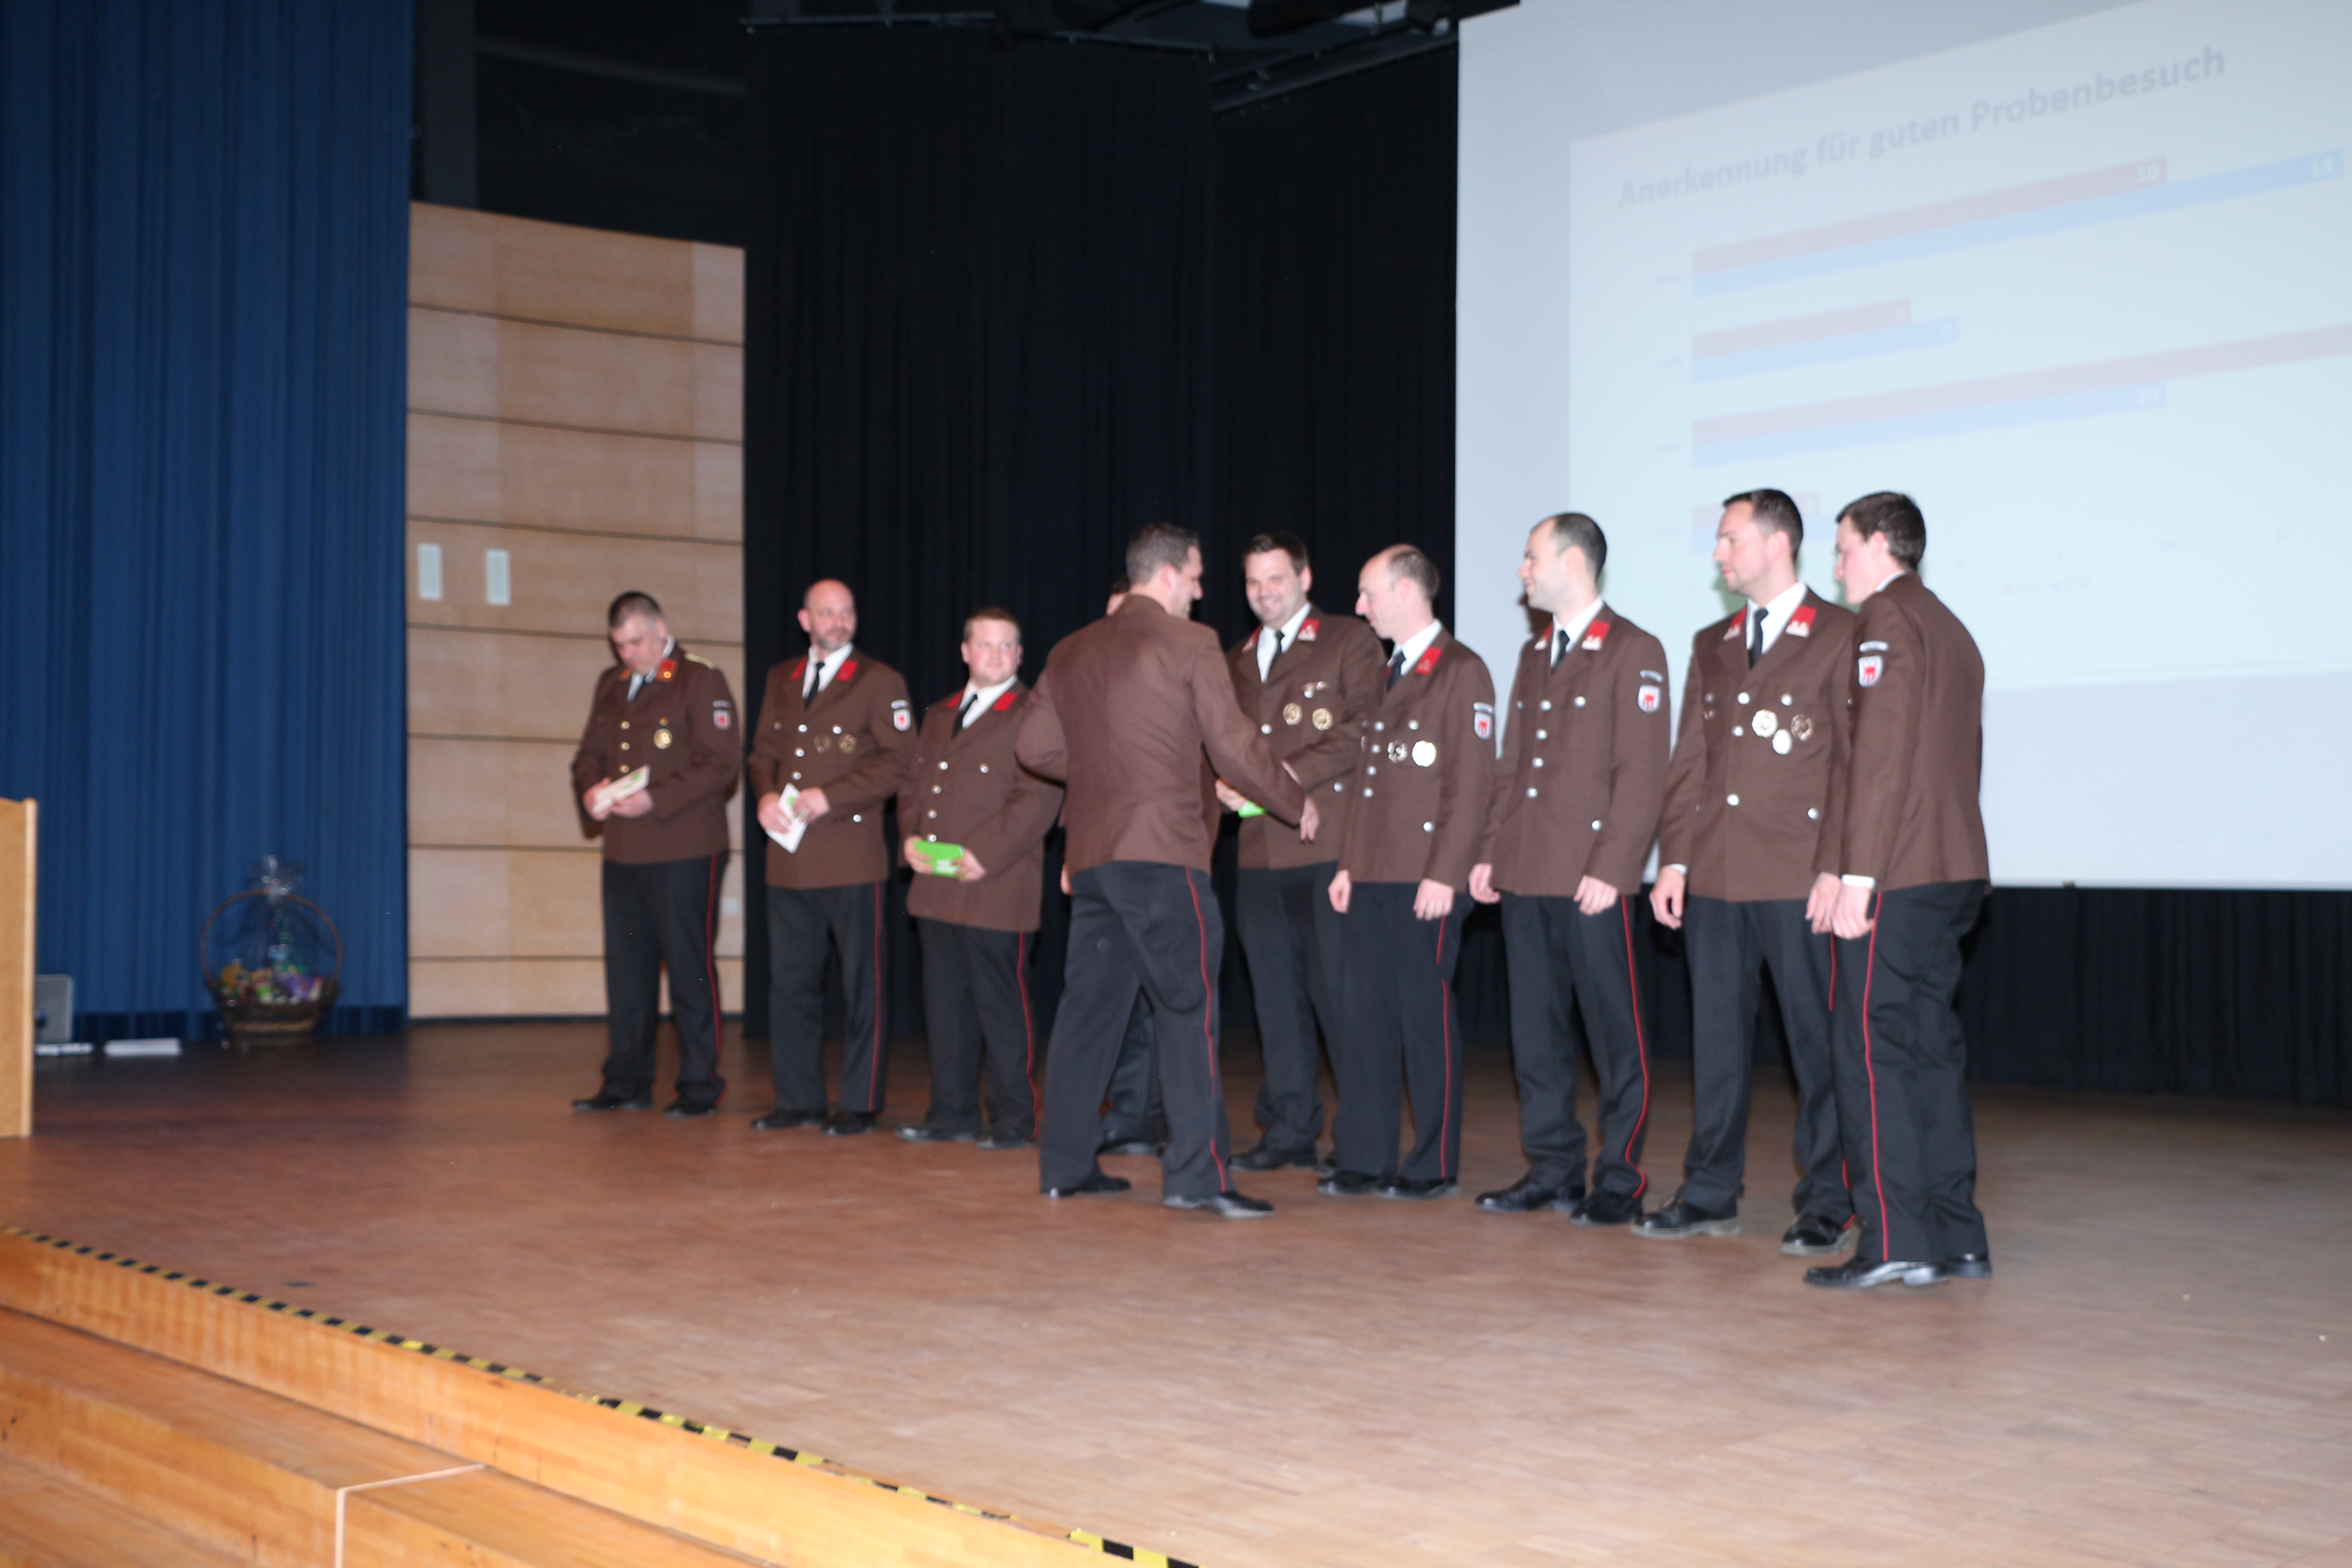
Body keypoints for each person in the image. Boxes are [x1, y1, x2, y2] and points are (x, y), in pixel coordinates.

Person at [1016, 524, 1316, 1218]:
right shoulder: (1190, 642)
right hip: (1160, 856)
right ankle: (1196, 1178)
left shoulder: (1070, 649)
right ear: (1170, 574)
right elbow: (1233, 744)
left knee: (1087, 1016)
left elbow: (1033, 747)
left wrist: (1107, 771)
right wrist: (1293, 801)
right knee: (1188, 1010)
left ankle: (1064, 1167)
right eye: (1198, 577)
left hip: (1094, 860)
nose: (1202, 592)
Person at [1639, 490, 1857, 1254]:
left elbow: (1850, 766)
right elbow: (1691, 762)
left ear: (1777, 543)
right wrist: (1674, 860)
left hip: (1799, 876)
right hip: (1717, 874)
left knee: (1817, 1044)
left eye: (1730, 539)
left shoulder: (1840, 633)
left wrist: (1835, 867)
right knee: (1716, 1043)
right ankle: (1708, 1191)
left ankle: (1830, 1198)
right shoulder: (1714, 641)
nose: (1718, 553)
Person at [1806, 492, 1991, 1290]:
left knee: (1871, 1051)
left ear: (1880, 544)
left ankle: (1892, 1236)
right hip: (1949, 867)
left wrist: (1858, 874)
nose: (1836, 565)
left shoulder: (1884, 618)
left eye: (1843, 548)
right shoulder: (1949, 626)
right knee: (1928, 1050)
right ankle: (1956, 1236)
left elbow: (1880, 757)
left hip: (1899, 871)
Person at [1469, 514, 1671, 1226]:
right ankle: (1552, 1167)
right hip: (1528, 870)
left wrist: (1613, 867)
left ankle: (1622, 1176)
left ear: (1574, 561)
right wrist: (1491, 850)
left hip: (1591, 877)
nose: (1522, 572)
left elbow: (1642, 773)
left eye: (1532, 558)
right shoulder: (1535, 654)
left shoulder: (1634, 649)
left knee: (1615, 1034)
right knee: (1537, 1032)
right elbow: (1512, 766)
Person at [1319, 547, 1496, 1200]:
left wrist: (1445, 874)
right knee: (1365, 1017)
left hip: (1425, 876)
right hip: (1372, 872)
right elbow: (1366, 784)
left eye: (1368, 593)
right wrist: (1348, 863)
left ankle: (1432, 1162)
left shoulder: (1461, 670)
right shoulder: (1383, 671)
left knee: (1424, 1019)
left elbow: (1472, 786)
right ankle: (1365, 1156)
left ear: (1404, 591)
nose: (1359, 607)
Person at [1217, 533, 1384, 1171]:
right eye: (1254, 582)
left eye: (1276, 579)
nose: (1264, 593)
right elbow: (1222, 747)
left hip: (1326, 846)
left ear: (1305, 578)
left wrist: (1277, 779)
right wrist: (1220, 785)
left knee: (1341, 998)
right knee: (1275, 999)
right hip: (1258, 851)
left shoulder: (1348, 640)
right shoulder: (1235, 659)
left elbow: (1365, 729)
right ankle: (1289, 1129)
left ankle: (1362, 1139)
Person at [745, 580, 918, 1136]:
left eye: (847, 612)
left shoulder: (879, 681)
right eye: (827, 613)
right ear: (806, 620)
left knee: (862, 987)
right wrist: (765, 795)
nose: (839, 621)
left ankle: (860, 1103)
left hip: (851, 858)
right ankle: (799, 1100)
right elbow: (762, 754)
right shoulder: (782, 677)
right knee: (790, 985)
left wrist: (830, 797)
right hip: (790, 858)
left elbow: (900, 762)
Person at [896, 608, 1063, 1149]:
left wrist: (983, 853)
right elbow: (913, 786)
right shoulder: (940, 713)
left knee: (1002, 1009)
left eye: (1006, 646)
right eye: (985, 645)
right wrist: (909, 839)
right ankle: (952, 1113)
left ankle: (1014, 1120)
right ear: (966, 651)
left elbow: (1039, 797)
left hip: (997, 883)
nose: (996, 655)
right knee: (946, 1008)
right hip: (936, 883)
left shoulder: (1036, 712)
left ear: (1020, 655)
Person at [568, 592, 740, 1117]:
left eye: (637, 642)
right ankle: (627, 1082)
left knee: (689, 971)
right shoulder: (611, 684)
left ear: (661, 629)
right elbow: (588, 755)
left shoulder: (700, 679)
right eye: (620, 645)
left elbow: (721, 764)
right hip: (624, 849)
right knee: (628, 974)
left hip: (685, 847)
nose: (629, 654)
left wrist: (655, 799)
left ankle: (699, 1086)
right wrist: (591, 791)